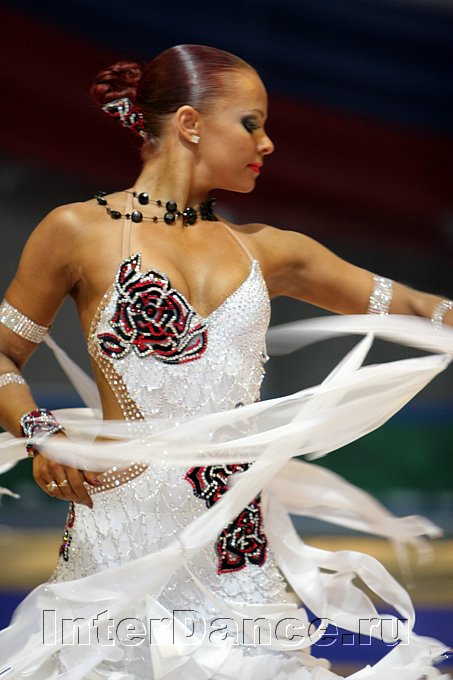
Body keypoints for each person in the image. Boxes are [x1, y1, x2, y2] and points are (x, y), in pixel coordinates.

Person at [0, 44, 452, 679]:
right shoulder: (77, 231)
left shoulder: (269, 251)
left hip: (238, 552)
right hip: (121, 547)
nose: (267, 144)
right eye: (251, 123)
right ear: (189, 123)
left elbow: (414, 304)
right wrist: (38, 431)